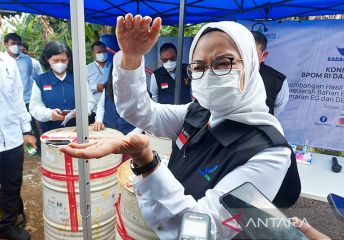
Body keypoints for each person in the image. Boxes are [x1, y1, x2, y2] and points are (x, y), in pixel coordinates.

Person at [60, 14, 301, 240]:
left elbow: (203, 230)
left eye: (223, 62)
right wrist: (131, 59)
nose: (209, 74)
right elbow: (140, 112)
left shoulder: (269, 151)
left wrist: (148, 164)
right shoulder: (198, 113)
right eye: (198, 66)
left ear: (249, 64)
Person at [0, 4, 36, 239]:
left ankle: (5, 226)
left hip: (13, 140)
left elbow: (17, 101)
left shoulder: (7, 62)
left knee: (12, 187)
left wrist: (26, 130)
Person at [29, 41, 95, 133]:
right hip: (51, 132)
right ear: (47, 59)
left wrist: (82, 111)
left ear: (69, 59)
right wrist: (50, 114)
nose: (60, 64)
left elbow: (90, 102)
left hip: (77, 131)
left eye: (64, 60)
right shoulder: (40, 81)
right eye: (55, 61)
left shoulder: (78, 78)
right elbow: (35, 107)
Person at [251, 31, 289, 116]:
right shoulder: (227, 73)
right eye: (242, 54)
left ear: (263, 56)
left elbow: (277, 109)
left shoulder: (277, 80)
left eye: (252, 55)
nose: (246, 59)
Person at [91, 71, 135, 135]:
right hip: (108, 132)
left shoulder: (137, 89)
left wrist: (132, 135)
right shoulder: (108, 87)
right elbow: (101, 106)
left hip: (130, 135)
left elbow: (144, 118)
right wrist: (98, 120)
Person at [20, 41, 43, 154]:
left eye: (24, 50)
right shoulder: (11, 63)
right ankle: (31, 150)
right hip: (19, 101)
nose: (22, 51)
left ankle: (38, 149)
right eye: (20, 49)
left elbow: (40, 78)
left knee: (35, 126)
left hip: (30, 99)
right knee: (23, 127)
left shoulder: (34, 63)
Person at [87, 41, 112, 123]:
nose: (102, 54)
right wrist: (96, 87)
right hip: (93, 110)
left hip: (110, 109)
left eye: (104, 51)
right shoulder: (86, 69)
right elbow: (82, 89)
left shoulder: (113, 66)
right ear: (93, 54)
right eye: (99, 52)